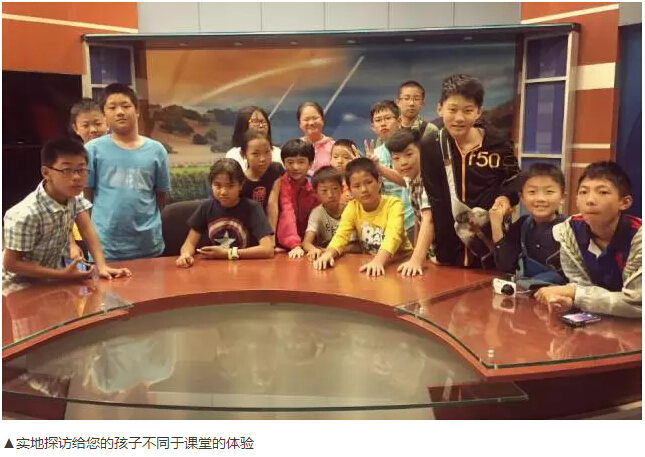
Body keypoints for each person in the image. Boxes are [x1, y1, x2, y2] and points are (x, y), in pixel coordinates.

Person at [419, 74, 521, 269]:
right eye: (452, 109)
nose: (459, 118)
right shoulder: (432, 145)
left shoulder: (498, 141)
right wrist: (429, 255)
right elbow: (435, 203)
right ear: (440, 108)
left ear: (478, 111)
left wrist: (506, 198)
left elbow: (515, 180)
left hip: (491, 249)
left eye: (467, 110)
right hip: (449, 254)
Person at [2, 138, 131, 282]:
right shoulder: (26, 214)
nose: (76, 177)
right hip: (17, 284)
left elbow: (87, 230)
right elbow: (11, 264)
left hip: (50, 280)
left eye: (81, 169)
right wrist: (62, 275)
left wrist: (102, 266)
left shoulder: (74, 198)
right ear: (46, 173)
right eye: (67, 170)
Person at [535, 162, 642, 318]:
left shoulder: (639, 238)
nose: (590, 200)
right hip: (600, 322)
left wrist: (573, 293)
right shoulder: (568, 232)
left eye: (603, 192)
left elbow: (637, 303)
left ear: (624, 202)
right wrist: (571, 302)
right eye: (583, 192)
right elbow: (582, 287)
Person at [85, 83, 171, 261]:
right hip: (105, 249)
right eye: (112, 108)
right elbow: (87, 197)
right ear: (104, 114)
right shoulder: (92, 150)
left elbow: (160, 196)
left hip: (148, 245)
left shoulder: (157, 150)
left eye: (126, 106)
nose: (120, 112)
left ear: (137, 111)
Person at [313, 158, 412, 276]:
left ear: (379, 181)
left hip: (401, 264)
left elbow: (393, 236)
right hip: (371, 264)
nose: (364, 189)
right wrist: (328, 254)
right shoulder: (352, 207)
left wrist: (378, 261)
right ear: (349, 190)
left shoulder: (394, 204)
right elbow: (341, 235)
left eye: (369, 182)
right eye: (356, 186)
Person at [176, 159, 275, 267]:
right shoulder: (206, 207)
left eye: (230, 186)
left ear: (241, 185)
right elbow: (189, 243)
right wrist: (185, 255)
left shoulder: (252, 208)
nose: (223, 192)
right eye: (217, 186)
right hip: (214, 268)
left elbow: (268, 249)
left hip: (245, 268)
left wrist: (228, 253)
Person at [490, 163, 567, 284]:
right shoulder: (522, 224)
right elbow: (506, 266)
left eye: (549, 191)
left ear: (562, 197)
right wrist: (496, 225)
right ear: (522, 198)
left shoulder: (572, 229)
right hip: (526, 291)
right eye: (532, 192)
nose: (540, 198)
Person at [384, 130, 434, 276]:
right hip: (430, 255)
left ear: (421, 152)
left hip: (446, 254)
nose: (403, 162)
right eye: (396, 158)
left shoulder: (428, 180)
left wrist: (416, 260)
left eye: (409, 154)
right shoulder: (412, 178)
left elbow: (429, 219)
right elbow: (400, 179)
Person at [366, 100, 415, 243]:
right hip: (388, 222)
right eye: (378, 120)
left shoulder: (412, 148)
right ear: (373, 127)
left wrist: (378, 167)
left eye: (387, 118)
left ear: (399, 121)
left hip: (413, 220)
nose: (383, 124)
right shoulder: (374, 154)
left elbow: (408, 180)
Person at [68, 98, 109, 259]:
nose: (93, 130)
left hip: (105, 233)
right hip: (79, 234)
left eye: (97, 123)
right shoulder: (68, 159)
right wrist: (71, 243)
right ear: (75, 128)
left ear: (106, 122)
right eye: (85, 125)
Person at [301, 166, 358, 261]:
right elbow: (306, 243)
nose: (330, 195)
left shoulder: (352, 209)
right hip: (326, 259)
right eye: (324, 191)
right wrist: (313, 250)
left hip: (351, 259)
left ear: (342, 189)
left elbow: (360, 245)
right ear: (316, 193)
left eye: (335, 188)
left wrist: (337, 250)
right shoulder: (317, 213)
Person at [276, 139, 320, 258]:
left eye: (301, 162)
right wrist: (294, 244)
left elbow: (318, 215)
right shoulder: (281, 184)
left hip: (306, 244)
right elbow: (287, 212)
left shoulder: (313, 187)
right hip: (285, 245)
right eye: (290, 162)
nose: (295, 167)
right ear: (284, 163)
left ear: (310, 164)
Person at [239, 130, 284, 230]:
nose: (263, 159)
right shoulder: (240, 182)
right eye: (255, 154)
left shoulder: (275, 170)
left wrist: (271, 235)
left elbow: (272, 205)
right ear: (243, 154)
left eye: (267, 152)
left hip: (274, 225)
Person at [225, 106, 282, 170]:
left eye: (263, 121)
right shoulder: (233, 154)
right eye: (255, 121)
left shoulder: (277, 153)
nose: (261, 125)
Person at [297, 101, 335, 175]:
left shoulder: (334, 147)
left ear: (322, 120)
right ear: (300, 124)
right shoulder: (294, 148)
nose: (311, 123)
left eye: (315, 118)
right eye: (306, 119)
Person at [329, 139, 359, 203]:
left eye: (346, 157)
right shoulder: (326, 181)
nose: (340, 161)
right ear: (330, 159)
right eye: (335, 157)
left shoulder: (357, 181)